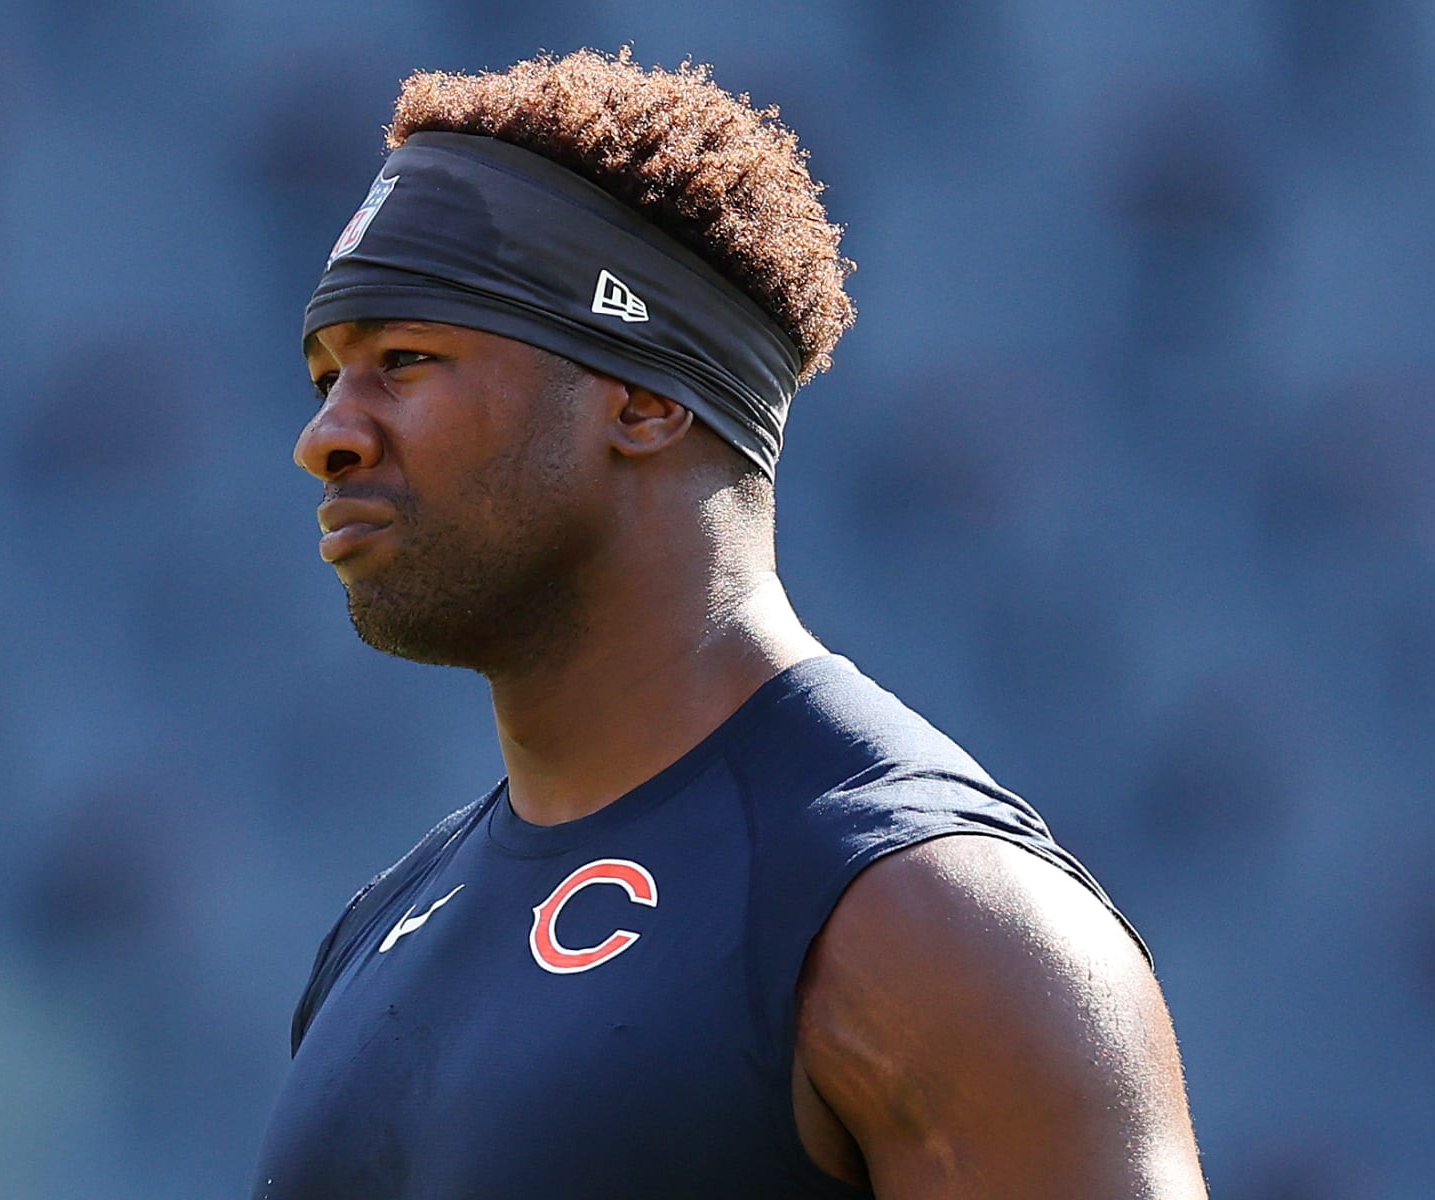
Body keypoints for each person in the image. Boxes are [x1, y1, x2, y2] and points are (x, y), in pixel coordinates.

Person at [253, 48, 1208, 1199]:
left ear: (648, 399)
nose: (329, 437)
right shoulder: (379, 931)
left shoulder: (934, 921)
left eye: (406, 360)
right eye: (326, 379)